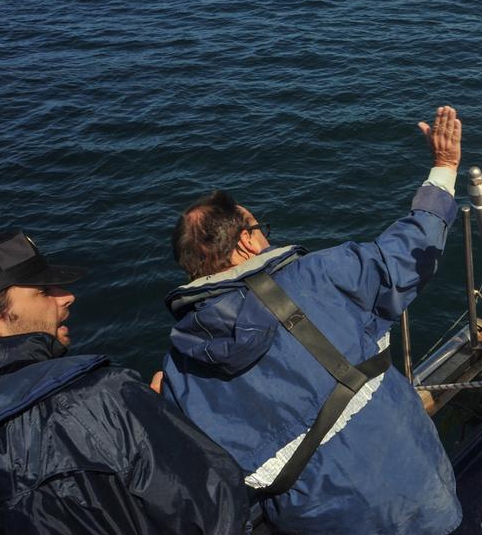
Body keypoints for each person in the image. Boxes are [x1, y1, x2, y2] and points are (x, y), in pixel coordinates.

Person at [159, 105, 464, 534]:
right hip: (415, 498)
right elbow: (406, 256)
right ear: (246, 245)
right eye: (258, 226)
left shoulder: (179, 370)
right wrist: (443, 169)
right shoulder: (318, 275)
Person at [0, 231, 249, 534]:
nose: (67, 296)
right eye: (44, 291)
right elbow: (218, 510)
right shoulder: (102, 396)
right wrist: (159, 420)